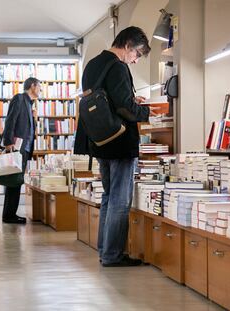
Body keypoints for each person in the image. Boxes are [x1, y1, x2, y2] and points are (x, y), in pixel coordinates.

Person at [74, 26, 156, 266]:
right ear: (128, 45)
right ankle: (112, 255)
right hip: (120, 142)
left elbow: (108, 97)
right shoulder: (118, 66)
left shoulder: (93, 64)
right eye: (137, 54)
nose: (135, 60)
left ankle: (104, 250)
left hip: (100, 141)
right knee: (120, 200)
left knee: (109, 197)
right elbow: (123, 107)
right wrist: (145, 111)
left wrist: (131, 99)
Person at [2, 77, 41, 224]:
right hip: (16, 148)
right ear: (32, 86)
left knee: (16, 182)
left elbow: (28, 129)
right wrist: (7, 143)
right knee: (13, 182)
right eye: (39, 86)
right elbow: (10, 121)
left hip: (24, 149)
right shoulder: (19, 99)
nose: (40, 90)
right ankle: (9, 215)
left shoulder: (29, 105)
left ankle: (10, 214)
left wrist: (34, 119)